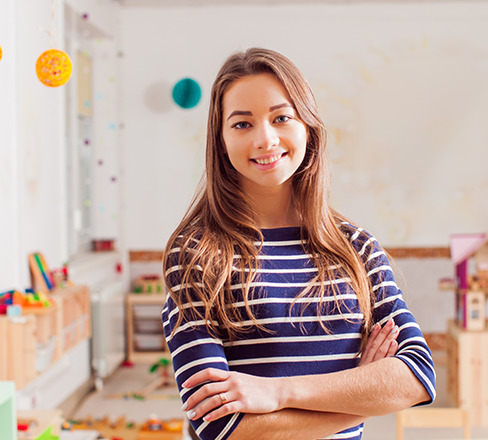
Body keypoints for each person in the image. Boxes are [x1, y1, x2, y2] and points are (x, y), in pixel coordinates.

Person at [161, 48, 435, 440]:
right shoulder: (196, 255)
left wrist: (278, 393)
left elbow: (417, 376)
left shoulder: (357, 248)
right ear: (220, 141)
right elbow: (221, 427)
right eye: (242, 124)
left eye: (281, 117)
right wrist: (362, 397)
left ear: (308, 126)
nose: (265, 139)